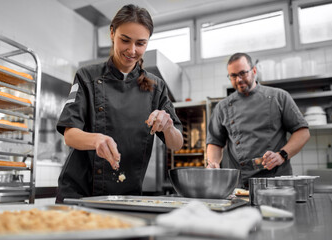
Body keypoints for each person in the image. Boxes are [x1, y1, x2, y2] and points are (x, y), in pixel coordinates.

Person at [55, 4, 183, 202]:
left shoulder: (156, 87)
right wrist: (96, 140)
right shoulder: (87, 77)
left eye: (140, 43)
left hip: (127, 195)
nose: (132, 50)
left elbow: (177, 144)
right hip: (80, 192)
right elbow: (70, 135)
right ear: (112, 33)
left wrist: (167, 126)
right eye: (125, 40)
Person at [206, 52, 310, 187]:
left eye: (243, 73)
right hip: (239, 184)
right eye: (233, 76)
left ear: (254, 71)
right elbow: (215, 142)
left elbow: (303, 132)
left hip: (276, 182)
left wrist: (281, 155)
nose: (238, 79)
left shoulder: (279, 97)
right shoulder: (222, 107)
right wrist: (213, 163)